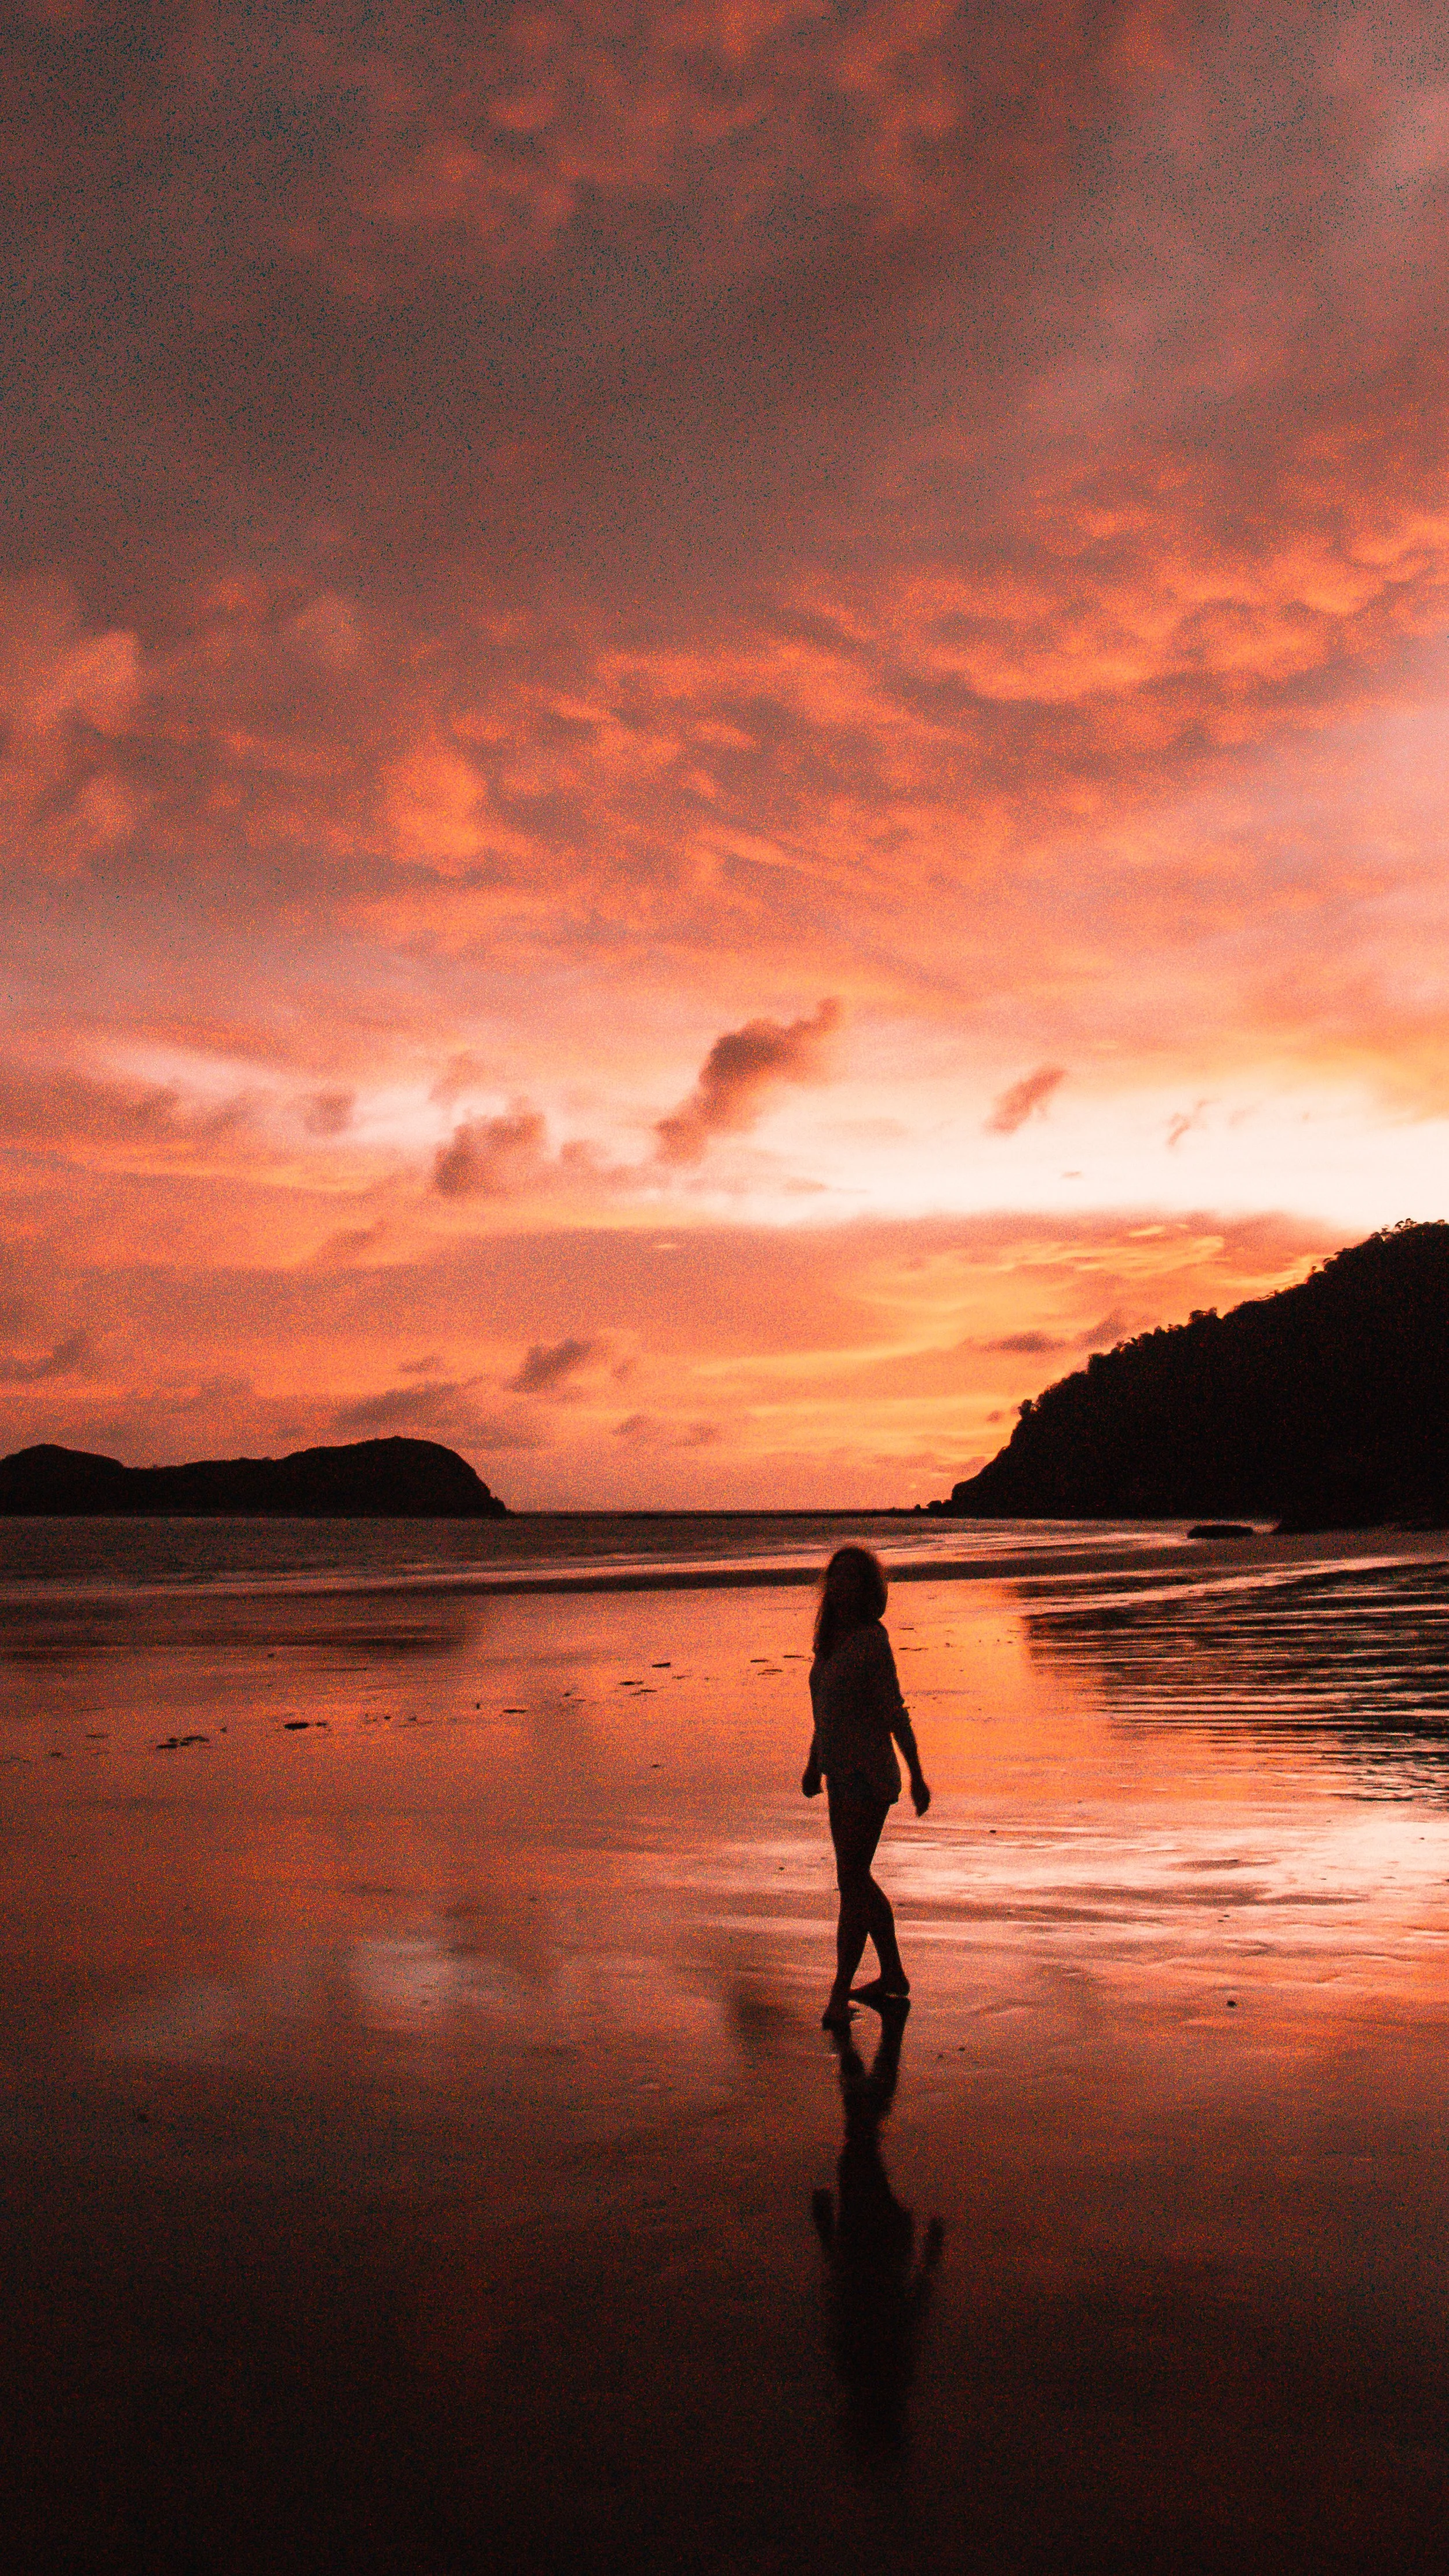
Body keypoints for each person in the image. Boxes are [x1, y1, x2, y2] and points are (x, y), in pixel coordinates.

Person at [802, 1545, 930, 2031]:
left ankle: (838, 1993)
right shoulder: (832, 1639)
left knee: (852, 1884)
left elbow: (893, 1711)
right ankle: (893, 1972)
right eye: (836, 1580)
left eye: (853, 1580)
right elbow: (827, 1710)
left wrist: (917, 1774)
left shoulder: (871, 1642)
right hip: (840, 1775)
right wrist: (814, 1763)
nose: (842, 1587)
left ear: (868, 1588)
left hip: (869, 1778)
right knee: (857, 1878)